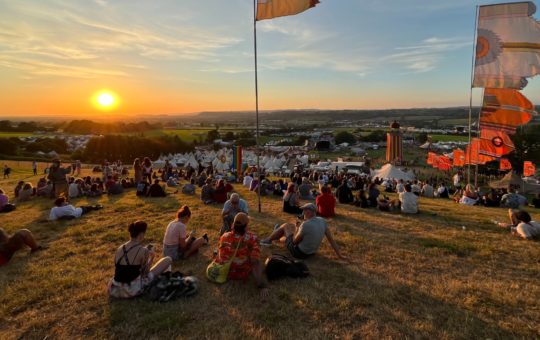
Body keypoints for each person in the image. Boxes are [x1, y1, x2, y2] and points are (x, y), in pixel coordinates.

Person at [108, 221, 172, 298]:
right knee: (168, 259)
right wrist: (151, 257)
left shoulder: (120, 248)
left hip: (115, 289)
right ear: (141, 234)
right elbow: (145, 273)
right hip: (132, 290)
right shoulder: (143, 251)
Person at [260, 203, 346, 260]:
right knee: (289, 230)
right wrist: (339, 255)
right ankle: (277, 231)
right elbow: (331, 240)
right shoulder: (322, 221)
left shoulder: (305, 225)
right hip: (311, 252)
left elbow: (294, 242)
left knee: (286, 225)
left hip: (299, 253)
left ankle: (268, 240)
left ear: (311, 212)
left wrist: (297, 228)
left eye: (305, 210)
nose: (303, 212)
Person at [215, 213, 269, 299]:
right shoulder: (252, 238)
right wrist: (261, 285)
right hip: (241, 272)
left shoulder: (224, 236)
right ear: (245, 226)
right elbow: (254, 260)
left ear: (233, 224)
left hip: (226, 271)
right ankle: (260, 285)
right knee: (258, 261)